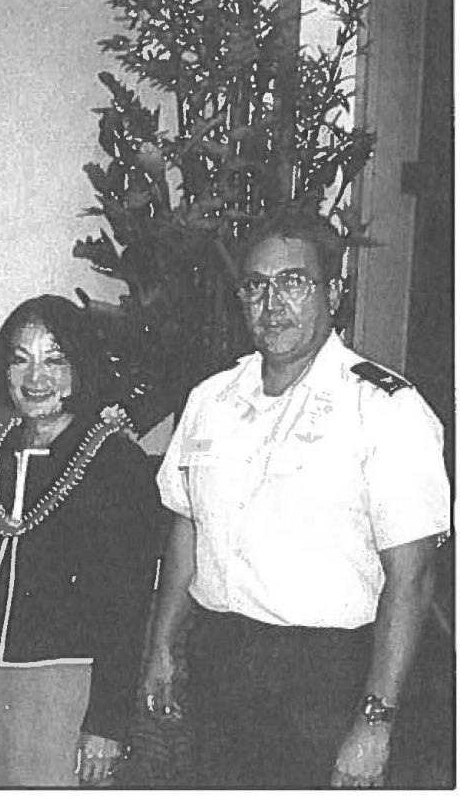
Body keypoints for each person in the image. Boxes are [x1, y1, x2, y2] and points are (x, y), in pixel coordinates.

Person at [143, 209, 450, 788]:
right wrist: (162, 645)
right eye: (255, 286)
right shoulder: (210, 399)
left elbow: (412, 579)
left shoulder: (386, 409)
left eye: (293, 282)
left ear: (332, 292)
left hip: (328, 679)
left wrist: (375, 721)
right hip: (220, 661)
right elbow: (187, 525)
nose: (272, 303)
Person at [0, 294, 161, 787]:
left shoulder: (117, 465)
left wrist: (107, 723)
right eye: (20, 359)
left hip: (70, 680)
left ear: (81, 367)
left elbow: (128, 605)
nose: (36, 377)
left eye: (55, 360)